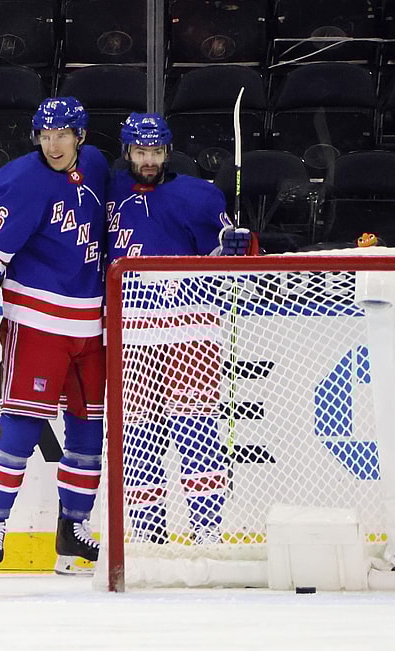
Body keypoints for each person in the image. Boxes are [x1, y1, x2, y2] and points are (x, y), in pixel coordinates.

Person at [0, 97, 109, 576]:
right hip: (38, 322)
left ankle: (73, 528)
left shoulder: (99, 165)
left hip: (93, 324)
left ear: (80, 136)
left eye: (62, 134)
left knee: (88, 433)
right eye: (45, 135)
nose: (53, 144)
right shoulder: (22, 181)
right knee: (21, 427)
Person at [106, 112, 253, 545]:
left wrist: (237, 250)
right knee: (139, 441)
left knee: (200, 435)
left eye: (155, 152)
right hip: (131, 334)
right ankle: (149, 539)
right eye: (140, 151)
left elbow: (229, 264)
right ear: (127, 152)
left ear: (168, 151)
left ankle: (208, 534)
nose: (148, 160)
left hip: (191, 333)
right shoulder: (107, 193)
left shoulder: (200, 196)